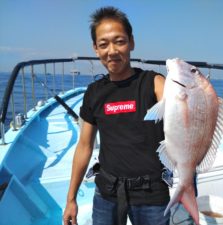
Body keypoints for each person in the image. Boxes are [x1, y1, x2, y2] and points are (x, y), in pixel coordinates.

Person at [63, 6, 170, 225]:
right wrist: (71, 198)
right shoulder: (94, 93)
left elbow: (178, 104)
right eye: (103, 44)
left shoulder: (153, 82)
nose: (112, 51)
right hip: (107, 193)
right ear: (95, 49)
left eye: (119, 41)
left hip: (152, 195)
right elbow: (84, 146)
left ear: (131, 42)